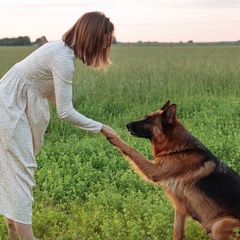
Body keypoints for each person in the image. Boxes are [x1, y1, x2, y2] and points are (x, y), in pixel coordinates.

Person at [0, 11, 116, 240]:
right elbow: (65, 112)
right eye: (104, 41)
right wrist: (100, 127)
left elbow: (45, 89)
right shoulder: (62, 59)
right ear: (91, 38)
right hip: (9, 107)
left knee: (13, 170)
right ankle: (26, 237)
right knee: (22, 172)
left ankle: (13, 232)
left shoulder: (59, 50)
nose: (105, 47)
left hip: (11, 101)